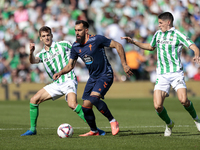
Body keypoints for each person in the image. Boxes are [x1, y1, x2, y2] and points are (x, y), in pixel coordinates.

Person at [121, 12, 200, 136]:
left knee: (183, 100)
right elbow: (150, 47)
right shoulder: (158, 34)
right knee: (157, 106)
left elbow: (193, 46)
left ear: (168, 22)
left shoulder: (177, 34)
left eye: (160, 23)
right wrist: (134, 42)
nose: (159, 25)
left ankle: (196, 119)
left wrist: (196, 54)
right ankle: (169, 124)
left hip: (176, 73)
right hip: (162, 74)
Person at [53, 20, 133, 136]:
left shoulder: (97, 39)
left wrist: (124, 65)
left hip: (106, 74)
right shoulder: (75, 46)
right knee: (86, 106)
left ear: (86, 30)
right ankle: (94, 131)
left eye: (79, 30)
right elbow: (70, 65)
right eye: (75, 30)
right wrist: (60, 72)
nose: (77, 33)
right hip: (93, 78)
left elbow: (118, 45)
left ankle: (113, 121)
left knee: (94, 98)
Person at [21, 26, 105, 136]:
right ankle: (32, 129)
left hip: (68, 79)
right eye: (43, 36)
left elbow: (77, 49)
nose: (46, 38)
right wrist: (31, 52)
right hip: (56, 83)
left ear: (51, 35)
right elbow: (33, 61)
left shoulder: (63, 44)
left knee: (72, 104)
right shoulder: (41, 54)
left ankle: (95, 129)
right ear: (40, 38)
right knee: (34, 100)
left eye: (48, 35)